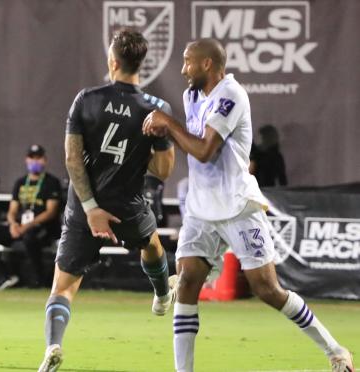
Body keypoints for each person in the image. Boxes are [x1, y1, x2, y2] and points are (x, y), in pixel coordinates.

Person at [142, 38, 353, 372]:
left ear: (207, 64)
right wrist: (163, 132)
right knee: (186, 284)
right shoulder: (191, 96)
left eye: (187, 62)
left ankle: (335, 350)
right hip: (200, 209)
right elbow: (190, 145)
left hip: (237, 206)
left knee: (267, 289)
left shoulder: (231, 95)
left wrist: (168, 123)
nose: (182, 69)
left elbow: (204, 150)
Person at [38, 30, 176, 372]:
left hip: (84, 207)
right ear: (141, 64)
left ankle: (54, 345)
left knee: (63, 288)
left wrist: (90, 209)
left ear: (112, 62)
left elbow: (72, 160)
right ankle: (161, 294)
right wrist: (161, 140)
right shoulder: (157, 109)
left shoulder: (86, 99)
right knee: (153, 246)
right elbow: (163, 171)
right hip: (128, 203)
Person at [0, 144, 62, 290]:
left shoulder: (51, 182)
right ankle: (7, 276)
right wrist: (13, 224)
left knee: (30, 238)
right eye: (32, 158)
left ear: (45, 160)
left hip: (43, 227)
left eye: (39, 158)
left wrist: (26, 227)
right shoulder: (21, 182)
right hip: (21, 226)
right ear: (26, 160)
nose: (35, 161)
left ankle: (38, 279)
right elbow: (12, 210)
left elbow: (51, 212)